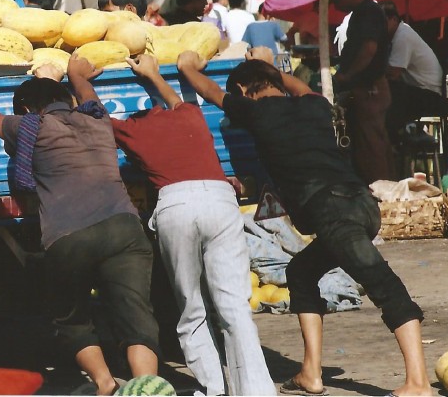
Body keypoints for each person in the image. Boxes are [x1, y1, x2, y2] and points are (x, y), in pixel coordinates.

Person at [176, 46, 432, 397]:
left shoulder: (257, 113)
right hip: (362, 205)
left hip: (332, 210)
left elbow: (209, 91)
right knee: (301, 272)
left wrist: (186, 65)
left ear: (242, 92)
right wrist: (269, 69)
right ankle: (310, 372)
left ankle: (418, 384)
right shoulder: (314, 106)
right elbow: (301, 89)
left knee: (383, 285)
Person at [0, 56, 160, 396]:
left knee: (71, 317)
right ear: (69, 101)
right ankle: (147, 387)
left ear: (28, 108)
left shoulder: (32, 126)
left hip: (71, 236)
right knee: (136, 314)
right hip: (126, 229)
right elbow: (86, 92)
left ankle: (105, 384)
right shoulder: (98, 118)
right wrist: (76, 73)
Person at [69, 52, 276, 396]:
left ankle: (213, 389)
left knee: (192, 307)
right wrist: (153, 74)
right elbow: (174, 99)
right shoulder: (189, 115)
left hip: (176, 205)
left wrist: (79, 79)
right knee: (234, 307)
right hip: (221, 200)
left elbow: (95, 113)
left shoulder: (132, 130)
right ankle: (257, 391)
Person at [329, 0, 395, 184]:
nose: (336, 7)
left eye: (336, 1)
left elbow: (369, 48)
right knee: (374, 140)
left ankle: (380, 188)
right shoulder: (364, 12)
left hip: (369, 88)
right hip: (368, 87)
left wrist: (348, 75)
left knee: (372, 143)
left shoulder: (368, 12)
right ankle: (383, 185)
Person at [379, 0, 448, 145]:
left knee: (390, 91)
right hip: (421, 90)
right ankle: (398, 134)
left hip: (429, 94)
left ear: (393, 19)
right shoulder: (400, 34)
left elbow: (394, 72)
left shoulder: (402, 36)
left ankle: (398, 136)